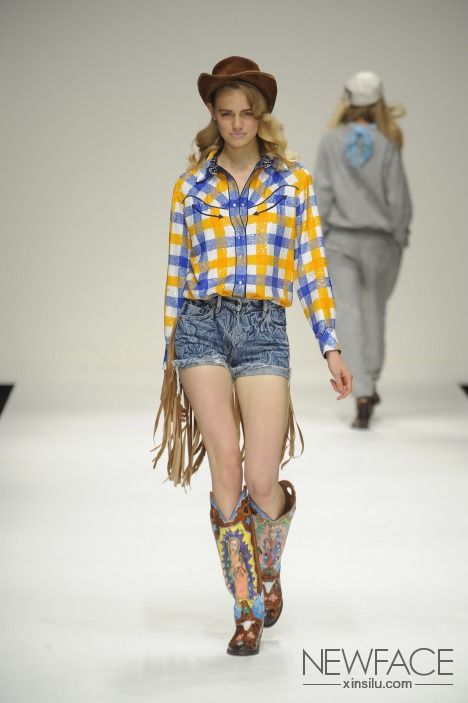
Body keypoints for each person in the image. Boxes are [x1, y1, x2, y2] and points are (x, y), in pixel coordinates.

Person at [151, 56, 352, 656]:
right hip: (201, 328)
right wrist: (170, 352)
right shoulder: (190, 187)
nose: (237, 123)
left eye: (247, 113)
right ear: (213, 116)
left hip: (265, 328)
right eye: (226, 113)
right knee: (227, 468)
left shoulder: (293, 183)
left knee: (263, 480)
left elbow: (311, 267)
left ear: (262, 116)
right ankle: (245, 609)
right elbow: (176, 272)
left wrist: (330, 344)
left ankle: (269, 568)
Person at [313, 71, 412, 429]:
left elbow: (322, 192)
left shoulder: (330, 142)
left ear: (347, 100)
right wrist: (400, 235)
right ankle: (370, 380)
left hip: (340, 240)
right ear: (379, 102)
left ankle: (364, 392)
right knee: (373, 311)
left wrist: (317, 235)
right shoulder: (388, 142)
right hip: (380, 241)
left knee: (349, 313)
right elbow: (398, 196)